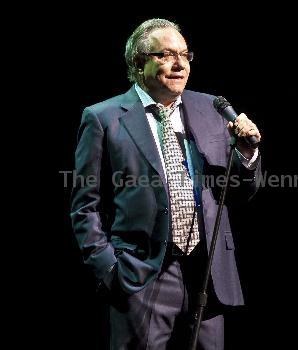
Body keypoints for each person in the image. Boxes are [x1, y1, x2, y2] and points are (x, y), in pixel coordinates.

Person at [70, 18, 262, 349]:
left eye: (185, 55)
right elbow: (85, 206)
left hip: (208, 274)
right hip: (142, 275)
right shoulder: (103, 118)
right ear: (138, 62)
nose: (179, 64)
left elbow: (237, 192)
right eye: (166, 55)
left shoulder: (211, 108)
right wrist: (111, 270)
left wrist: (246, 155)